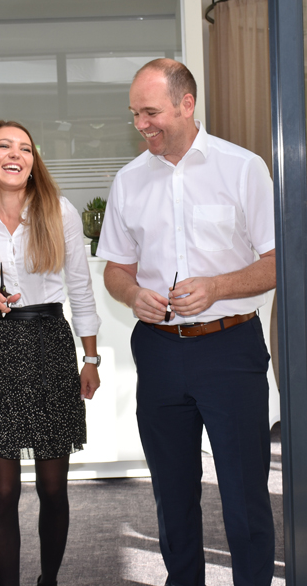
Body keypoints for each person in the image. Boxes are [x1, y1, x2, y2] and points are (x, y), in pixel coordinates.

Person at [98, 59, 276, 586]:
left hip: (230, 349)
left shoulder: (243, 168)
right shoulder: (128, 180)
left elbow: (276, 264)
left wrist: (216, 287)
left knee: (244, 494)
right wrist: (134, 295)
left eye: (150, 112)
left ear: (186, 104)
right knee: (172, 495)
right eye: (135, 114)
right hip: (158, 352)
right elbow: (115, 270)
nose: (141, 124)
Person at [0, 120, 101, 586]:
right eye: (5, 146)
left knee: (53, 489)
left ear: (33, 162)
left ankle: (47, 581)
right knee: (2, 492)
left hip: (51, 348)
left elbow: (81, 288)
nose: (16, 154)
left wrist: (90, 358)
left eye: (26, 148)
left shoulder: (58, 211)